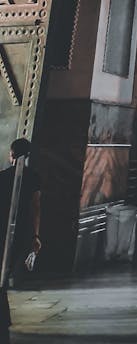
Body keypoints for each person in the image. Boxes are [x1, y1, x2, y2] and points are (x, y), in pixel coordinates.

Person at [0, 139, 42, 344]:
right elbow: (35, 208)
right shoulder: (33, 177)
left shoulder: (2, 177)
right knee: (5, 279)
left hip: (2, 234)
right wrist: (35, 236)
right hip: (23, 234)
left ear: (11, 155)